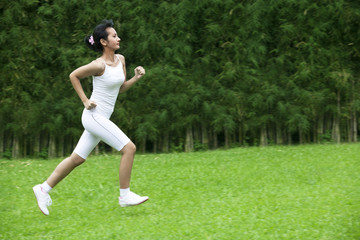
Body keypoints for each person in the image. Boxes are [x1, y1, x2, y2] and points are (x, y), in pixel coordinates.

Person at [33, 19, 148, 216]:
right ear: (104, 42)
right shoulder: (98, 64)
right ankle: (125, 195)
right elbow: (73, 75)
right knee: (129, 148)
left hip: (102, 118)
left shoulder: (120, 59)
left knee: (76, 159)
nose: (118, 38)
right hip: (93, 116)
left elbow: (119, 89)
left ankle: (43, 189)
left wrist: (136, 78)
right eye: (113, 36)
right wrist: (85, 100)